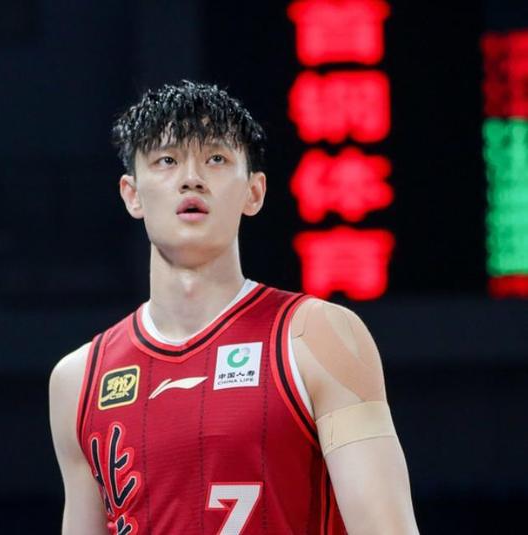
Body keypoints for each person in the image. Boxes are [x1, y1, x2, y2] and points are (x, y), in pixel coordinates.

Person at [49, 80, 419, 534]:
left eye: (216, 159)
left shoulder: (317, 337)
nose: (191, 178)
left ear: (254, 193)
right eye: (167, 160)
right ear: (132, 194)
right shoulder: (78, 380)